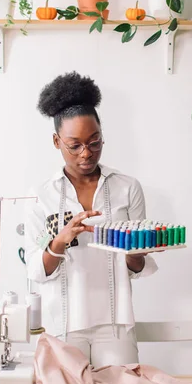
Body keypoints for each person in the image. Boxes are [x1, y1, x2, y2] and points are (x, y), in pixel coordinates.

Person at [25, 72, 158, 368]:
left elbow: (136, 266)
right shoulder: (40, 195)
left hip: (115, 322)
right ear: (56, 141)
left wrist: (135, 252)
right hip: (61, 323)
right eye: (75, 145)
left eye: (95, 142)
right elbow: (35, 269)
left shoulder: (127, 187)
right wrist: (61, 239)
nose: (87, 153)